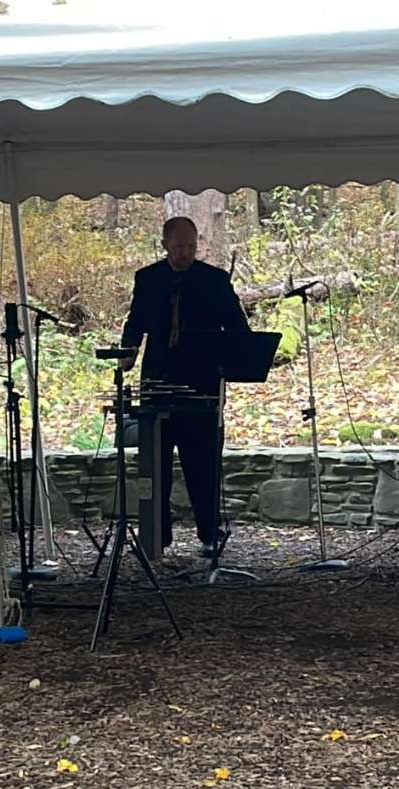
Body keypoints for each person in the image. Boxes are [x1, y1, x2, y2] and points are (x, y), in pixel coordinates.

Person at [119, 216, 250, 558]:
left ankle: (209, 532)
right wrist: (128, 351)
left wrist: (238, 356)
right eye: (179, 247)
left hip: (201, 383)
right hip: (158, 383)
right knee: (156, 464)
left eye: (191, 247)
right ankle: (156, 537)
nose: (185, 253)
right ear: (164, 245)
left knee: (203, 462)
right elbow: (136, 321)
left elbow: (237, 327)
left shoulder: (214, 281)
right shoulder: (148, 279)